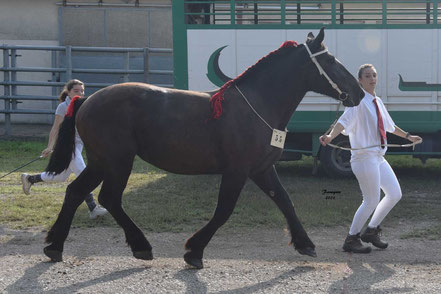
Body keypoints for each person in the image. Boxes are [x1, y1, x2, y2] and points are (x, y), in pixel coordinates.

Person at [319, 64, 422, 253]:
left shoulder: (377, 101)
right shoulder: (357, 101)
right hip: (363, 158)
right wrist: (329, 137)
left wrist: (409, 136)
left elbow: (390, 126)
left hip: (378, 157)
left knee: (394, 194)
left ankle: (371, 231)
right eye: (367, 76)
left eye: (374, 75)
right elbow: (342, 123)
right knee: (371, 200)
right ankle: (351, 239)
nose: (372, 79)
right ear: (360, 80)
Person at [21, 79, 108, 220]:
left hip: (78, 146)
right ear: (68, 92)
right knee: (83, 174)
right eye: (76, 91)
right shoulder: (63, 107)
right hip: (69, 146)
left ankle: (30, 179)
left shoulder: (84, 104)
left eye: (82, 91)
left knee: (61, 177)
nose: (80, 93)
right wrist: (50, 146)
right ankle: (93, 208)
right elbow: (55, 128)